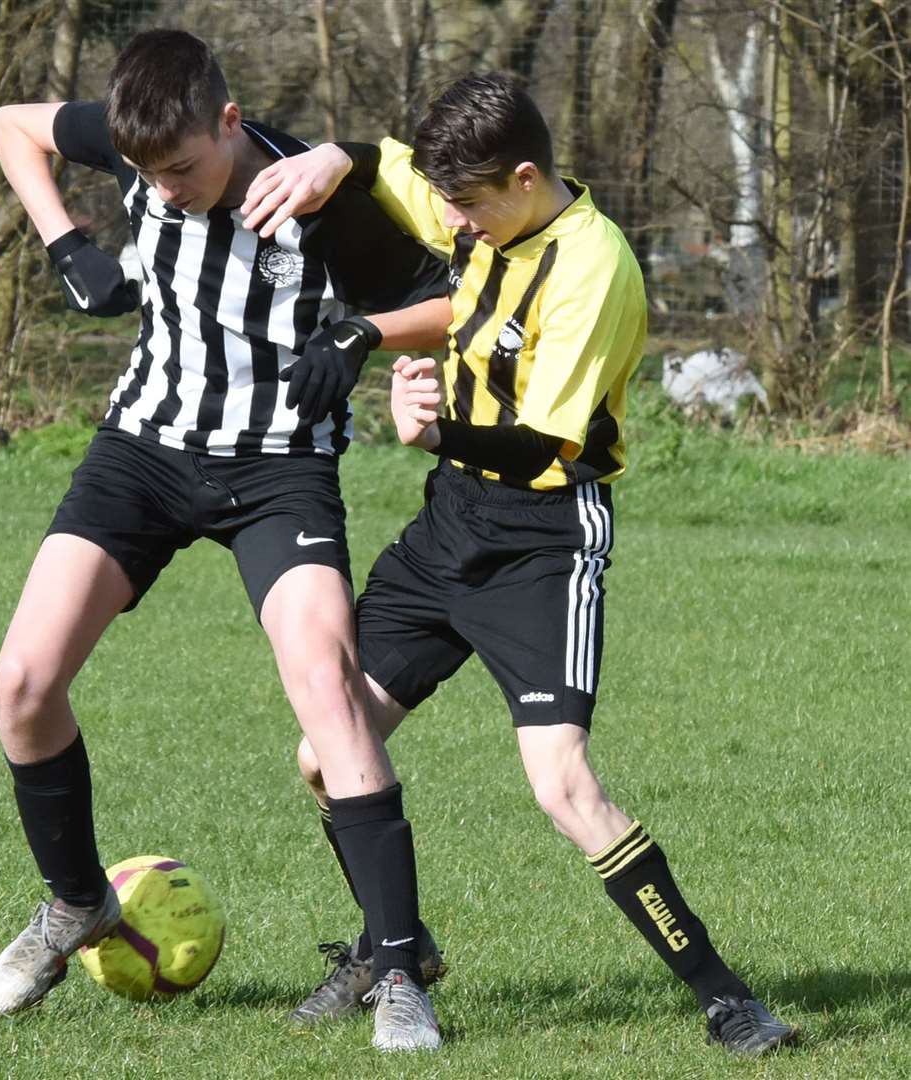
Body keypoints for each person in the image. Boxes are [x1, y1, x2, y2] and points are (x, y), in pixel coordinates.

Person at [241, 72, 798, 1057]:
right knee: (323, 754)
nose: (449, 223)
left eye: (466, 208)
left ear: (527, 178)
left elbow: (547, 447)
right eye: (446, 203)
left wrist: (426, 426)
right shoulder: (475, 198)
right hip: (447, 526)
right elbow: (384, 166)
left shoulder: (594, 271)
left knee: (561, 784)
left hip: (542, 541)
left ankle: (725, 999)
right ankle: (393, 947)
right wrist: (337, 158)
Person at [0, 28, 454, 1052]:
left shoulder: (315, 200)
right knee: (22, 683)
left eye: (185, 169)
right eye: (148, 174)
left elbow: (451, 299)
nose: (168, 190)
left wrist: (357, 340)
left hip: (276, 469)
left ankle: (400, 967)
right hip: (143, 449)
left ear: (229, 123)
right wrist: (69, 248)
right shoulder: (144, 137)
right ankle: (75, 906)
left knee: (327, 692)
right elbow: (10, 127)